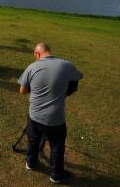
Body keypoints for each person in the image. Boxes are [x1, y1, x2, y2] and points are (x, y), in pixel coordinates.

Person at [18, 43, 83, 183]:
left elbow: (22, 90)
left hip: (34, 116)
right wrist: (64, 92)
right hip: (55, 119)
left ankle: (30, 163)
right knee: (57, 146)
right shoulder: (67, 65)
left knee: (33, 140)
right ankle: (56, 175)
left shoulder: (32, 67)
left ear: (37, 53)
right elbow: (78, 77)